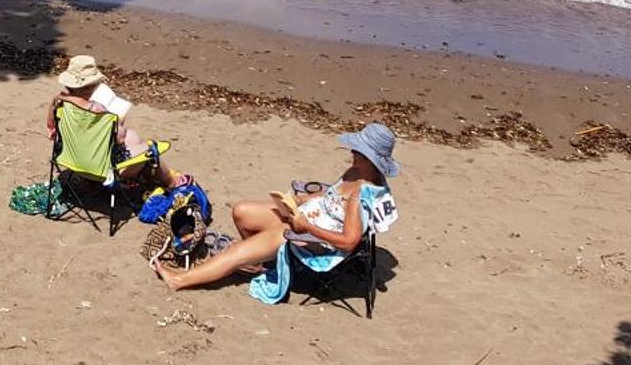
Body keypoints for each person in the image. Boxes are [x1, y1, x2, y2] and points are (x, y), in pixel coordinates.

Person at [152, 123, 400, 291]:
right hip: (306, 219)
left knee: (238, 250)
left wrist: (308, 228)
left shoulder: (363, 194)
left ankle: (181, 279)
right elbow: (332, 196)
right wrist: (304, 199)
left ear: (370, 158)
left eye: (357, 151)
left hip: (314, 239)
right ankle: (255, 261)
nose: (352, 153)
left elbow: (348, 242)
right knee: (241, 210)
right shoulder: (354, 172)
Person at [46, 53, 179, 190]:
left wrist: (63, 98)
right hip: (102, 170)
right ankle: (172, 183)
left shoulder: (59, 104)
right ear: (91, 86)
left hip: (71, 160)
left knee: (132, 136)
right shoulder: (98, 110)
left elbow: (51, 128)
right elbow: (119, 138)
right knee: (152, 147)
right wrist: (119, 122)